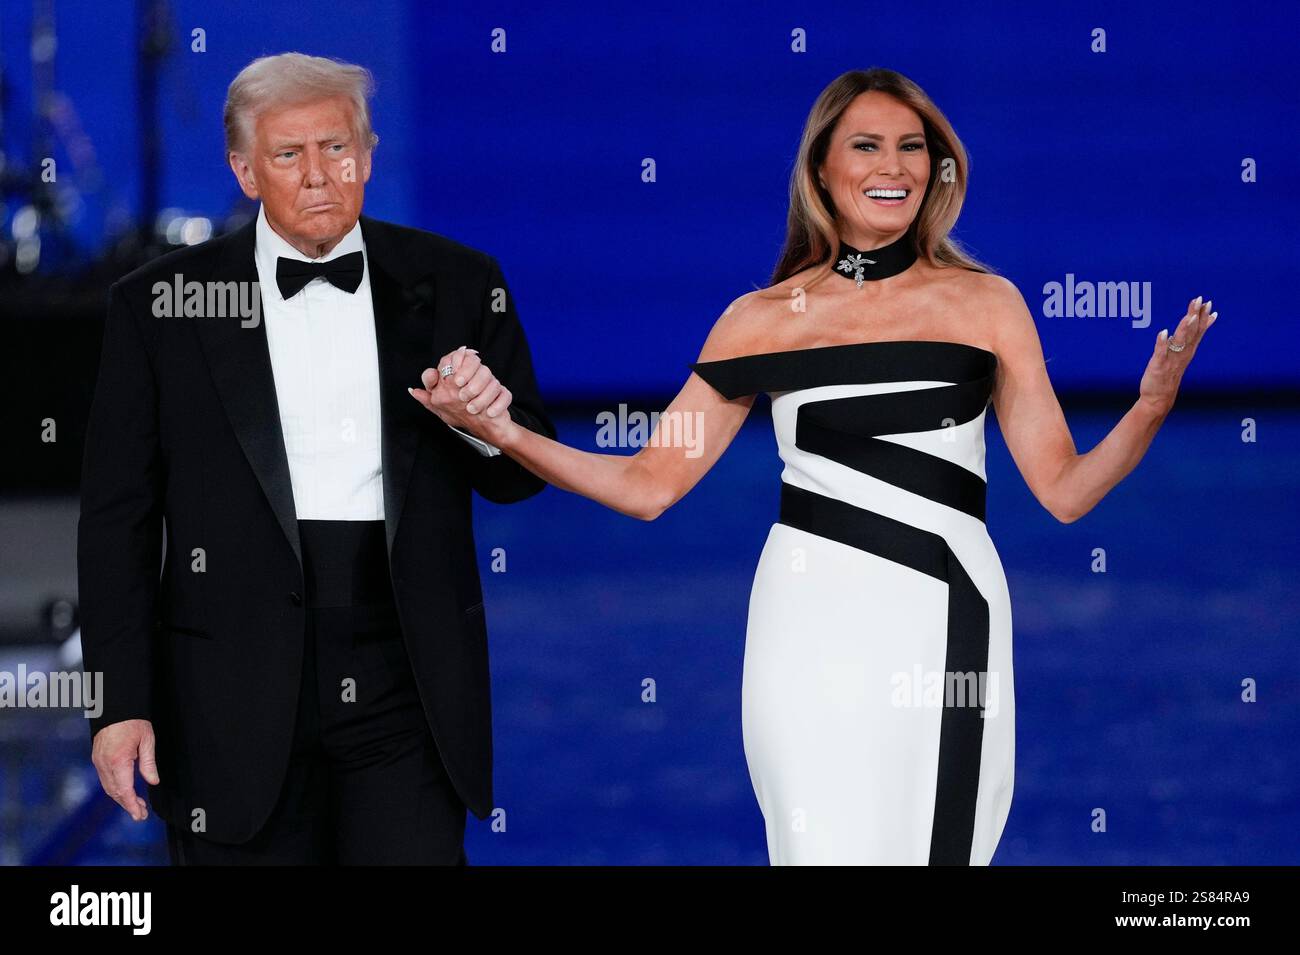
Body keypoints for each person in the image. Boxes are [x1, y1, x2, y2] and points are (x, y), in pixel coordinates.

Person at [410, 67, 1216, 865]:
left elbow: (1066, 491)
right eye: (866, 146)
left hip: (945, 620)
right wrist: (503, 431)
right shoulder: (759, 321)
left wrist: (1148, 406)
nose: (892, 167)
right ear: (821, 171)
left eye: (911, 147)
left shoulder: (987, 304)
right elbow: (648, 485)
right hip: (806, 624)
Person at [79, 52, 555, 864]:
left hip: (405, 671)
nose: (318, 176)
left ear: (367, 154)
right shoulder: (158, 305)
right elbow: (117, 519)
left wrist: (486, 424)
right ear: (244, 170)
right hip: (226, 684)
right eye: (288, 155)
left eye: (337, 148)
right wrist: (118, 703)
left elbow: (518, 477)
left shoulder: (459, 284)